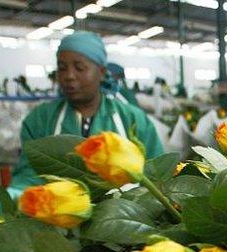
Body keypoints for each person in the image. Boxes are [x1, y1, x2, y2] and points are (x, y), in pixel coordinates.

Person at [11, 31, 164, 194]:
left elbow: (157, 175)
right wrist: (15, 196)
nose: (69, 76)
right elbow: (28, 174)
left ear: (102, 72)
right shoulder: (40, 119)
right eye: (62, 68)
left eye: (79, 68)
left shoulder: (133, 119)